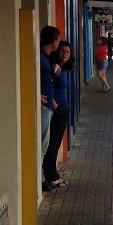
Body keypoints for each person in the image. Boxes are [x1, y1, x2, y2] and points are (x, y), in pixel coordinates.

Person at [42, 41, 74, 190]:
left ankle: (53, 174)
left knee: (56, 143)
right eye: (63, 51)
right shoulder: (54, 67)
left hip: (64, 108)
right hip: (57, 109)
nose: (65, 54)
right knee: (52, 144)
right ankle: (50, 175)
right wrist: (54, 102)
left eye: (68, 52)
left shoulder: (63, 68)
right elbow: (47, 83)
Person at [39, 25, 61, 191]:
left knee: (44, 143)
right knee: (43, 143)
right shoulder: (40, 58)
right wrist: (36, 94)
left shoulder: (46, 58)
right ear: (53, 41)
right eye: (58, 40)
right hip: (43, 107)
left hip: (48, 105)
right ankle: (39, 179)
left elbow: (45, 80)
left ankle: (41, 178)